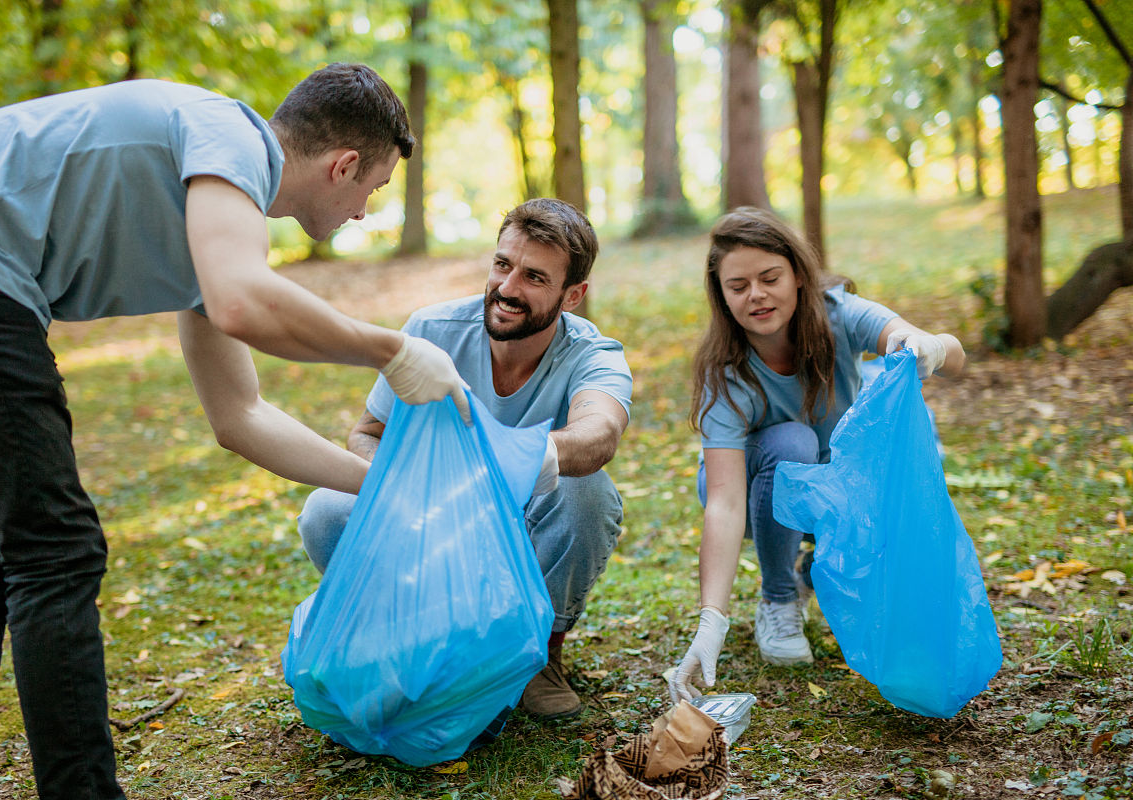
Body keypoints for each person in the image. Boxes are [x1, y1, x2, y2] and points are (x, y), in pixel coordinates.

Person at [0, 64, 470, 800]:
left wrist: (386, 481)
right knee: (53, 552)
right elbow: (245, 303)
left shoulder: (214, 218)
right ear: (343, 165)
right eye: (372, 190)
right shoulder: (228, 135)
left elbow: (240, 417)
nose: (362, 213)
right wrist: (395, 350)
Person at [297, 198, 632, 720]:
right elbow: (366, 434)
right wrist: (413, 493)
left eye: (534, 277)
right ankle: (414, 641)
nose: (508, 288)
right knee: (326, 508)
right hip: (430, 520)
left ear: (573, 295)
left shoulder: (593, 354)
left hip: (522, 526)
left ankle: (538, 653)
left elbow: (600, 433)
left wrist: (518, 460)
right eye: (502, 265)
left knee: (588, 492)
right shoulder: (432, 330)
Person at [668, 207, 965, 703]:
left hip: (837, 484)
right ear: (721, 294)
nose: (756, 294)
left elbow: (952, 355)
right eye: (738, 286)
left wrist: (927, 346)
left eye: (770, 278)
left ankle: (811, 572)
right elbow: (724, 502)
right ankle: (779, 597)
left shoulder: (839, 314)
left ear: (799, 276)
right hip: (753, 490)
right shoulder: (725, 371)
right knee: (792, 443)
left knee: (894, 478)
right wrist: (711, 620)